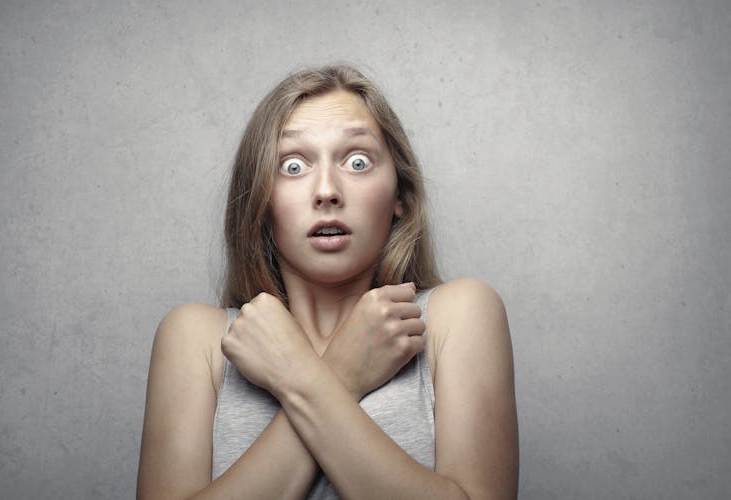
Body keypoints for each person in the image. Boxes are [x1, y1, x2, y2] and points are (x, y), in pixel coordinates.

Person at [137, 65, 518, 499]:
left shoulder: (459, 315)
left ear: (400, 196)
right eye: (293, 165)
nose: (326, 191)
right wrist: (343, 372)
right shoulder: (196, 338)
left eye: (357, 161)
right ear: (260, 199)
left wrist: (299, 376)